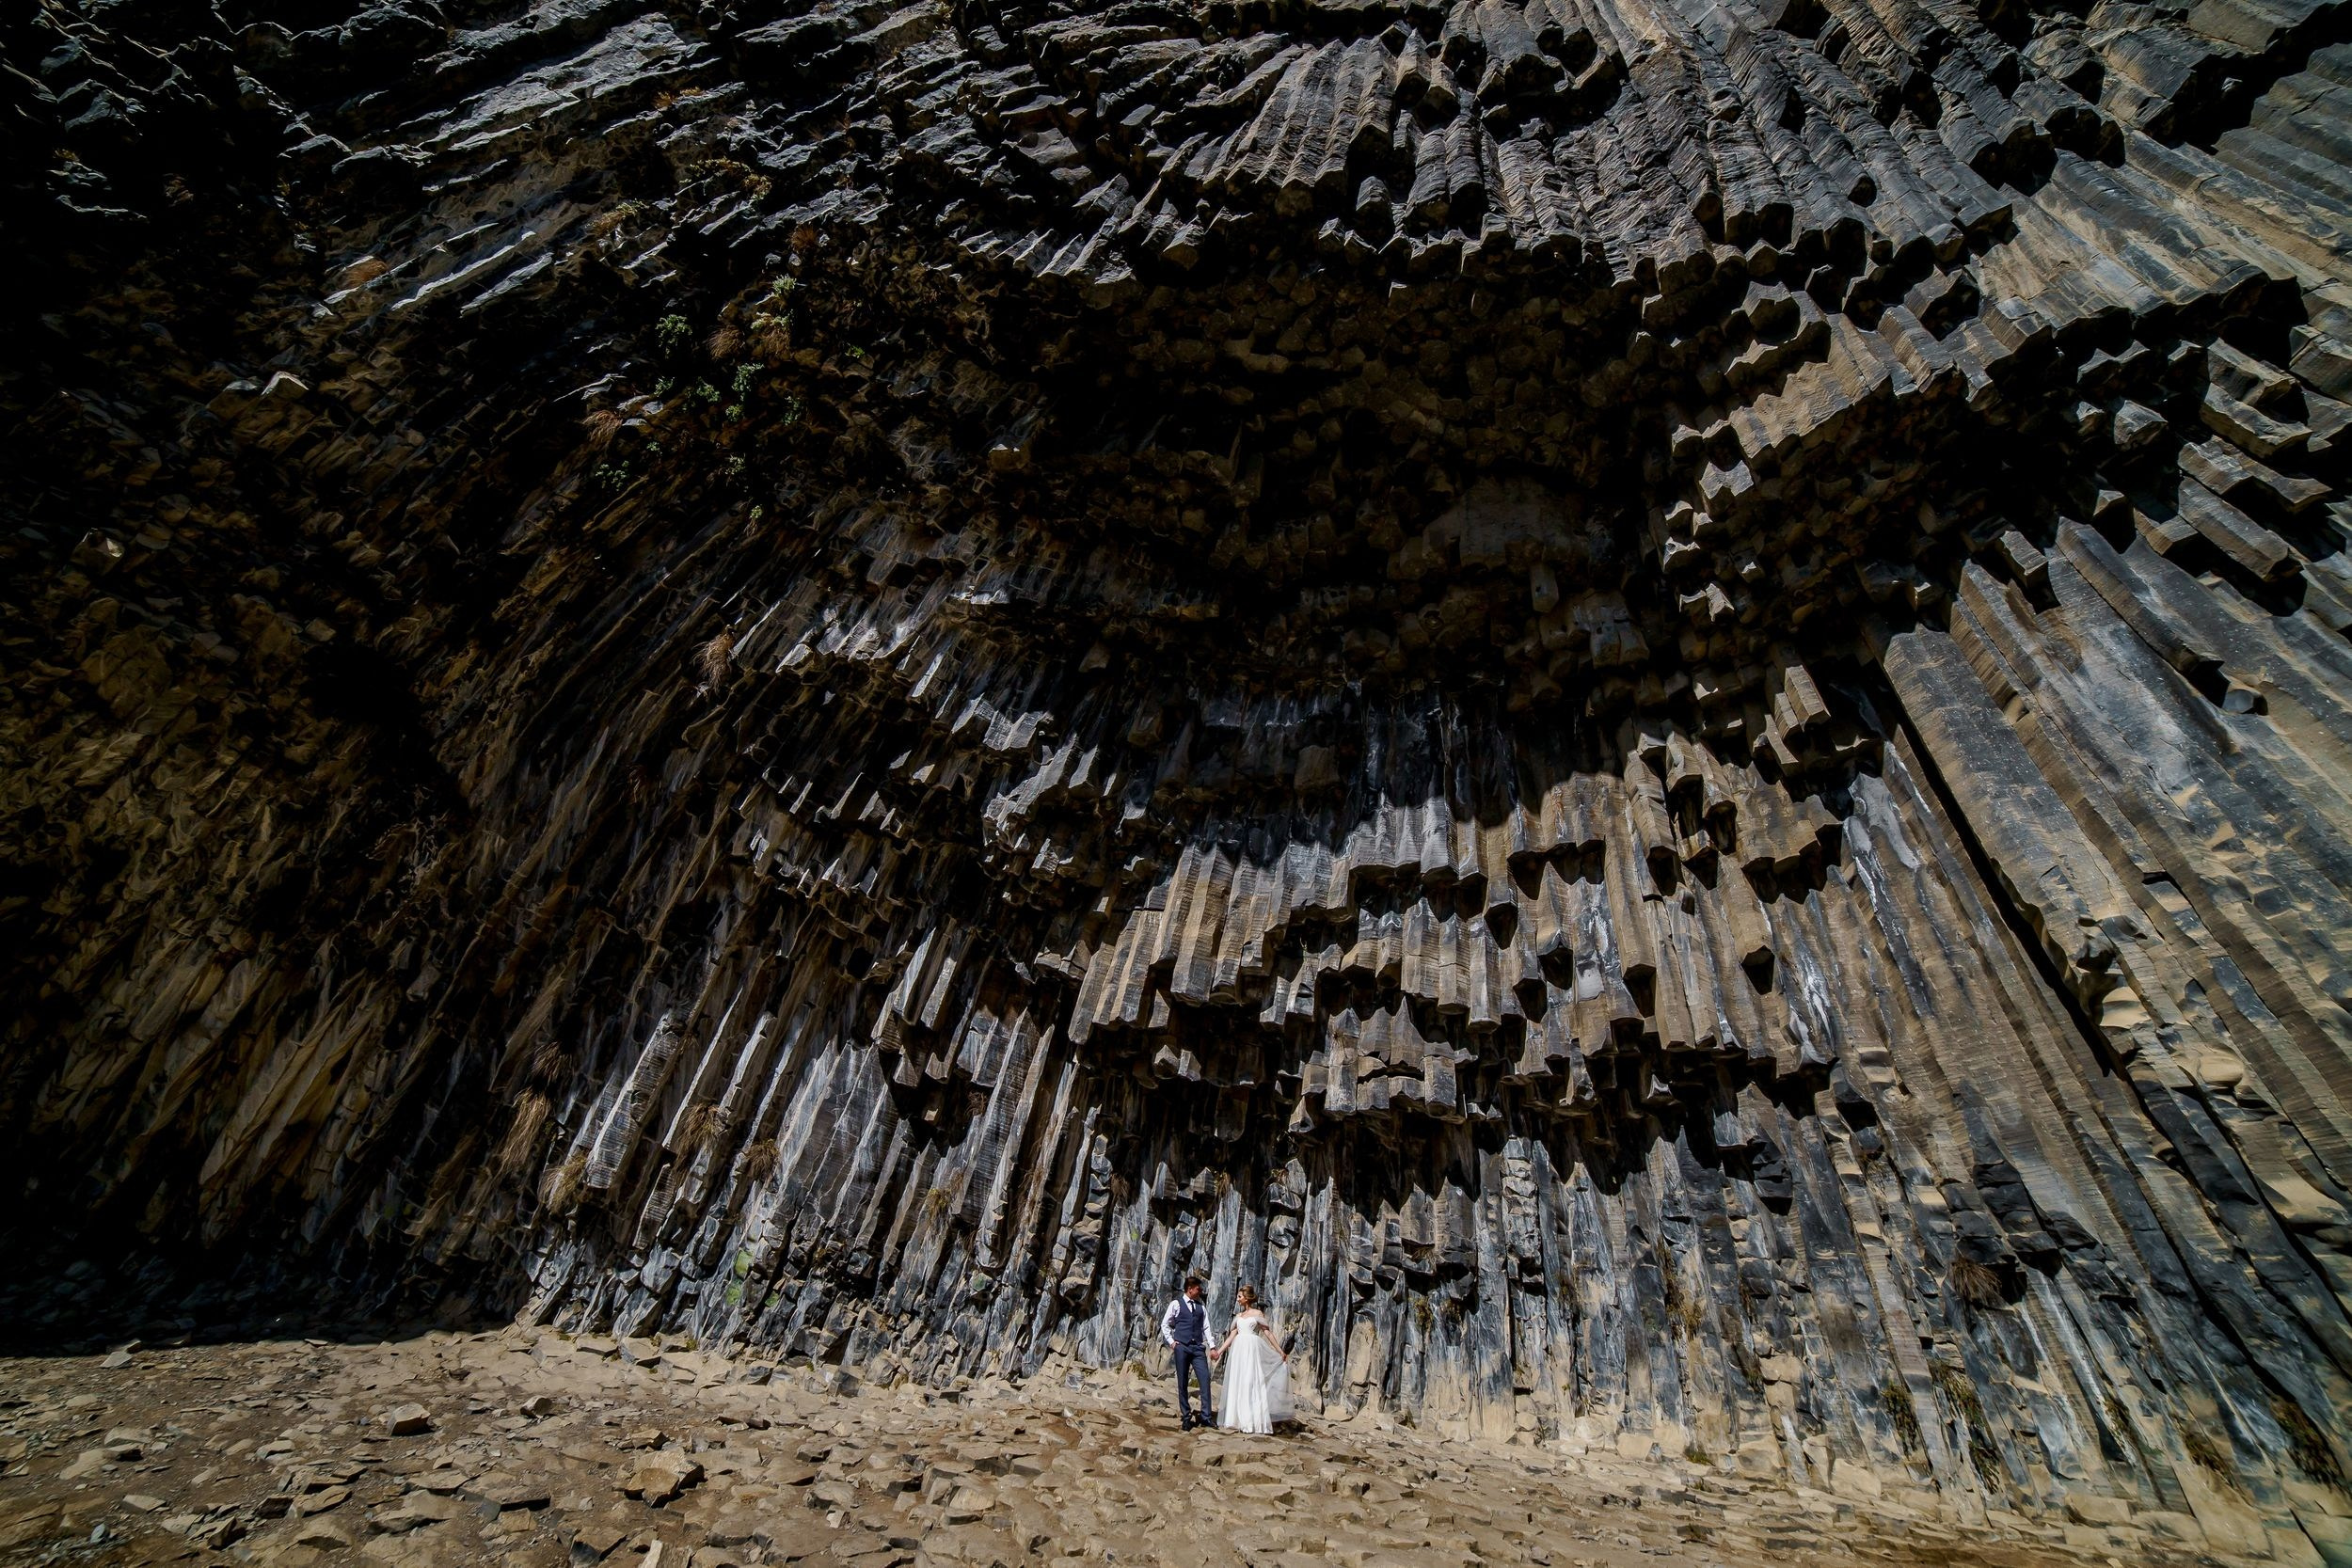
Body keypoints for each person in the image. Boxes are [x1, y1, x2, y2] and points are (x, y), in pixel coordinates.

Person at [1210, 1284, 1291, 1434]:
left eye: (1240, 1297)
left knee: (1251, 1381)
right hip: (1239, 1350)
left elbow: (1268, 1333)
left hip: (1252, 1349)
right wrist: (1219, 1351)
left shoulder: (1257, 1314)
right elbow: (1231, 1336)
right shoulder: (1238, 1316)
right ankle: (1236, 1419)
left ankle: (1252, 1420)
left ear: (1247, 1298)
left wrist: (1280, 1350)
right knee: (1239, 1381)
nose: (1237, 1299)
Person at [1160, 1274, 1215, 1431]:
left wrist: (1212, 1346)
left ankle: (1206, 1416)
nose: (1200, 1291)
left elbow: (1206, 1328)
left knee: (1205, 1379)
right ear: (1190, 1289)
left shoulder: (1201, 1307)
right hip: (1182, 1346)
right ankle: (1186, 1417)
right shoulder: (1176, 1304)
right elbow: (1166, 1324)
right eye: (1198, 1289)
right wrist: (1172, 1342)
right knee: (1182, 1381)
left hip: (1197, 1347)